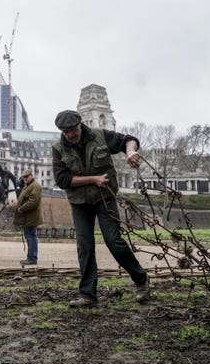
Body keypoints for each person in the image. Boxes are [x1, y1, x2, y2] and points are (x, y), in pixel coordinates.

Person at [51, 110, 150, 307]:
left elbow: (128, 140)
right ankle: (87, 295)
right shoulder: (58, 148)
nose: (69, 135)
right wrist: (93, 179)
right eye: (65, 132)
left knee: (114, 241)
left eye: (71, 130)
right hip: (79, 203)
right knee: (84, 246)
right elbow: (62, 180)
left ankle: (141, 280)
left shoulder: (100, 136)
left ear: (80, 124)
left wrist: (130, 151)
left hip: (104, 199)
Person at [12, 169, 43, 265]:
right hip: (28, 217)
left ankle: (32, 258)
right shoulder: (28, 186)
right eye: (24, 177)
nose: (25, 179)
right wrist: (17, 204)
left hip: (31, 217)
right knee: (30, 236)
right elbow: (25, 199)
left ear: (31, 176)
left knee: (31, 237)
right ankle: (31, 257)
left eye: (26, 177)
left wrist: (21, 208)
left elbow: (33, 202)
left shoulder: (35, 186)